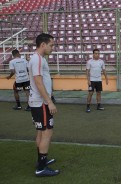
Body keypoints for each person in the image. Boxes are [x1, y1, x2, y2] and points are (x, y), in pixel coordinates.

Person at [29, 33, 59, 177]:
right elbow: (38, 82)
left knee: (41, 132)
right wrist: (49, 101)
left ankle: (41, 161)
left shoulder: (37, 59)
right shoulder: (38, 60)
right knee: (47, 132)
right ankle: (41, 168)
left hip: (38, 102)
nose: (52, 48)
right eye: (51, 45)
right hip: (41, 103)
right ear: (43, 45)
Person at [86, 48, 108, 112]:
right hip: (92, 80)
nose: (97, 55)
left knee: (99, 93)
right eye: (96, 53)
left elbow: (104, 70)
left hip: (99, 80)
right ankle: (88, 106)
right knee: (90, 93)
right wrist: (88, 80)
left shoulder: (101, 62)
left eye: (98, 53)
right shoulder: (89, 62)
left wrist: (106, 78)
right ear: (93, 54)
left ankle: (98, 106)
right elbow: (87, 71)